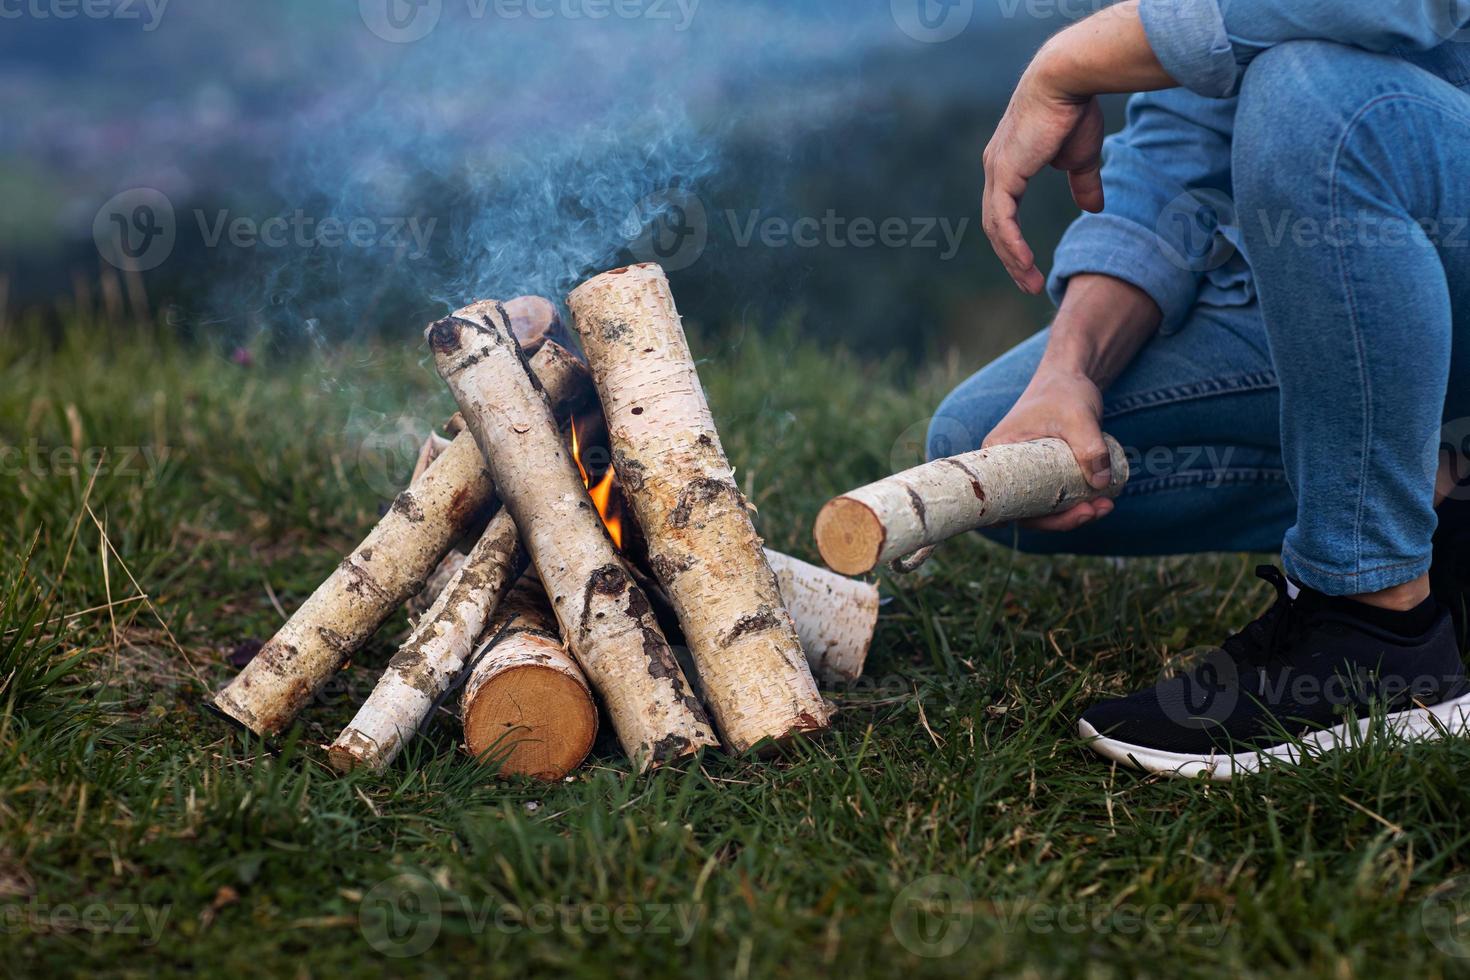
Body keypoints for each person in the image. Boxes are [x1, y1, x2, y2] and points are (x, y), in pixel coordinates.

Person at [928, 0, 1470, 778]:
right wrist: (1069, 373)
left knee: (1315, 100)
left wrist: (1067, 62)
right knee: (987, 452)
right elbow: (1181, 145)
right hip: (1379, 288)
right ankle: (1440, 508)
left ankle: (1378, 628)